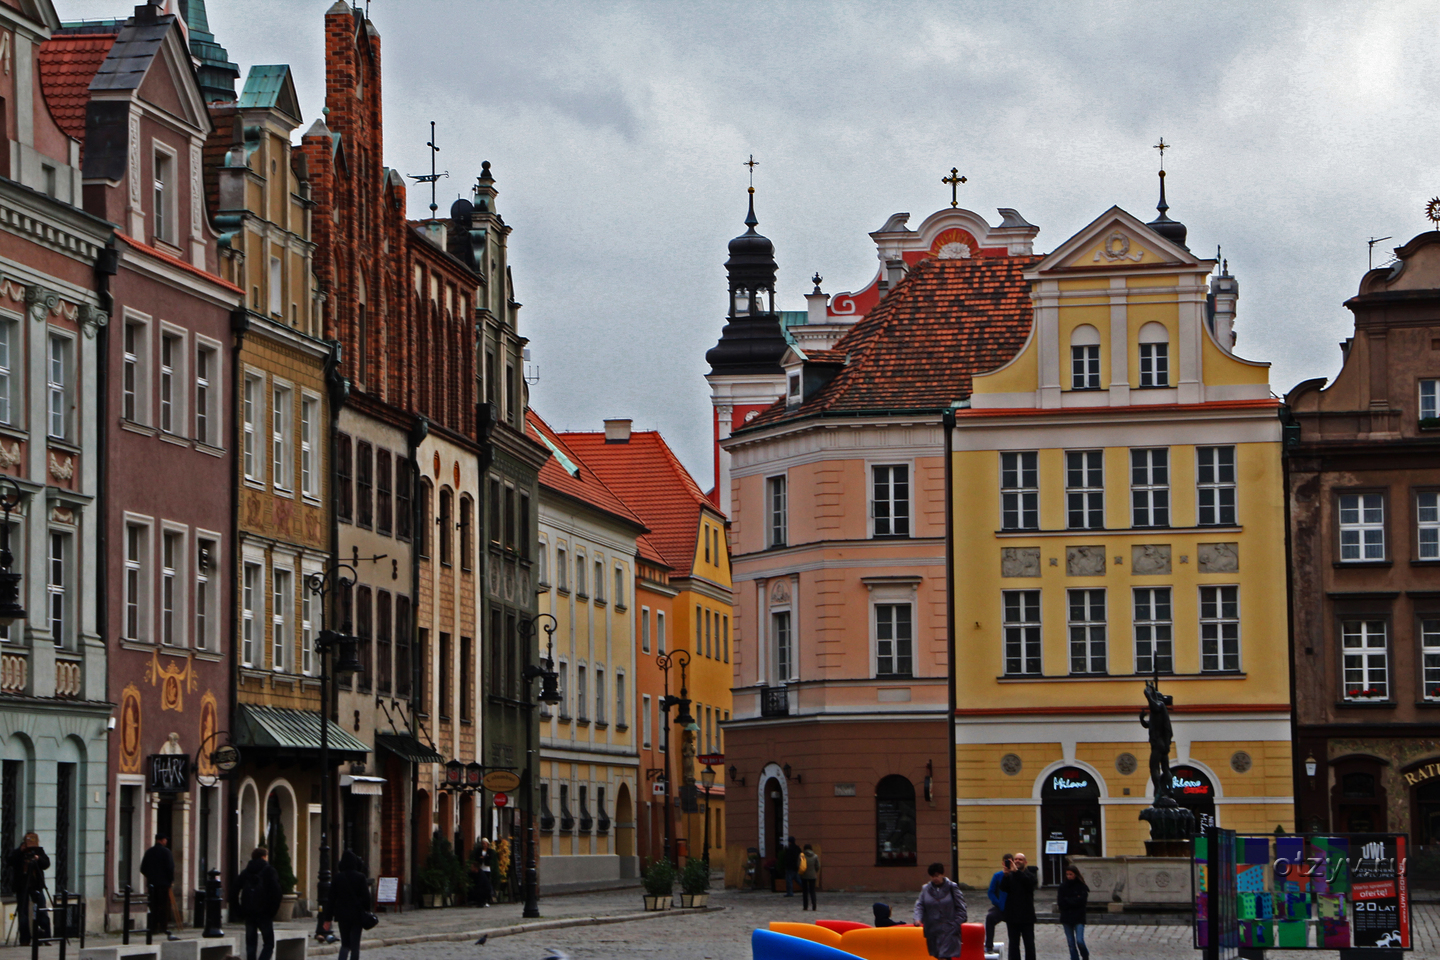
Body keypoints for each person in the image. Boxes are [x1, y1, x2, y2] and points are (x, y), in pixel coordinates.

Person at [913, 861, 966, 960]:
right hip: (933, 930)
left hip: (949, 929)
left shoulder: (952, 887)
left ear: (942, 874)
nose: (935, 878)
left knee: (944, 955)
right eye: (932, 876)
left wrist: (955, 924)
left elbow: (961, 907)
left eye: (937, 875)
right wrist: (918, 918)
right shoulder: (926, 889)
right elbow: (920, 905)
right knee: (938, 955)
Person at [238, 846, 281, 960]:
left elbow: (233, 891)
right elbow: (277, 892)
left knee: (251, 944)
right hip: (264, 913)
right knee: (269, 943)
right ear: (263, 857)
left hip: (249, 913)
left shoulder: (246, 872)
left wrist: (240, 910)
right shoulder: (269, 870)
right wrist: (272, 911)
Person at [327, 850, 372, 960]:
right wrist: (365, 909)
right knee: (355, 945)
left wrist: (327, 918)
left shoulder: (337, 878)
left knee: (345, 944)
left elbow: (331, 899)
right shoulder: (360, 877)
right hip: (357, 915)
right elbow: (367, 898)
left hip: (342, 915)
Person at [9, 833, 49, 946]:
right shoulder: (19, 852)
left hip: (36, 885)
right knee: (23, 912)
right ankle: (25, 939)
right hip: (22, 886)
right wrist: (20, 852)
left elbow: (46, 864)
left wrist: (38, 858)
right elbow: (9, 861)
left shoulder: (39, 851)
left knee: (42, 910)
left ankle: (45, 937)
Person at [139, 834, 180, 941]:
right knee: (163, 906)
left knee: (153, 905)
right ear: (162, 840)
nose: (166, 841)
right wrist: (170, 880)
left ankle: (153, 927)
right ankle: (163, 927)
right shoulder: (166, 852)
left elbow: (143, 868)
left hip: (152, 884)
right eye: (166, 839)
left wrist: (151, 877)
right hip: (164, 884)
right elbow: (170, 867)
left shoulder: (149, 852)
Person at [998, 852, 1038, 960]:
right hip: (1012, 916)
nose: (1017, 861)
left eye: (1020, 859)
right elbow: (1003, 888)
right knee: (1013, 944)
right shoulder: (1010, 875)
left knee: (1029, 944)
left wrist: (1017, 872)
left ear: (1025, 862)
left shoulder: (1030, 874)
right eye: (1015, 859)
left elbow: (1030, 885)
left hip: (1027, 916)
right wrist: (1005, 876)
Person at [1057, 863, 1090, 960]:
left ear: (1075, 874)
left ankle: (1085, 955)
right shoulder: (1063, 887)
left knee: (1080, 941)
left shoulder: (1082, 886)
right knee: (1071, 942)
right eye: (1067, 874)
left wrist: (1069, 900)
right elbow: (1061, 903)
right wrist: (1074, 900)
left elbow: (1082, 902)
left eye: (1071, 874)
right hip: (1066, 917)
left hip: (1079, 917)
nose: (1069, 876)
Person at [985, 853, 1013, 956]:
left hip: (1012, 908)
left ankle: (1013, 952)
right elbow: (991, 892)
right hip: (1000, 907)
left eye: (1010, 862)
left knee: (1014, 931)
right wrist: (997, 903)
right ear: (1002, 863)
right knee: (990, 918)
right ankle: (989, 946)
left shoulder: (1015, 875)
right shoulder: (997, 876)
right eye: (1006, 862)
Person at [469, 838, 493, 907]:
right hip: (481, 867)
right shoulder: (479, 850)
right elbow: (477, 857)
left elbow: (490, 858)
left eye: (485, 843)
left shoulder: (490, 851)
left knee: (486, 882)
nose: (484, 845)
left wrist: (484, 858)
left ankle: (486, 900)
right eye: (482, 843)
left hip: (487, 867)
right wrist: (482, 858)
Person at [799, 844, 820, 911]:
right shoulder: (815, 856)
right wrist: (814, 871)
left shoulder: (802, 856)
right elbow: (818, 866)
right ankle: (814, 906)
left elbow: (798, 865)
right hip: (813, 875)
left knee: (805, 892)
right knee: (812, 891)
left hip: (804, 875)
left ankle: (805, 906)